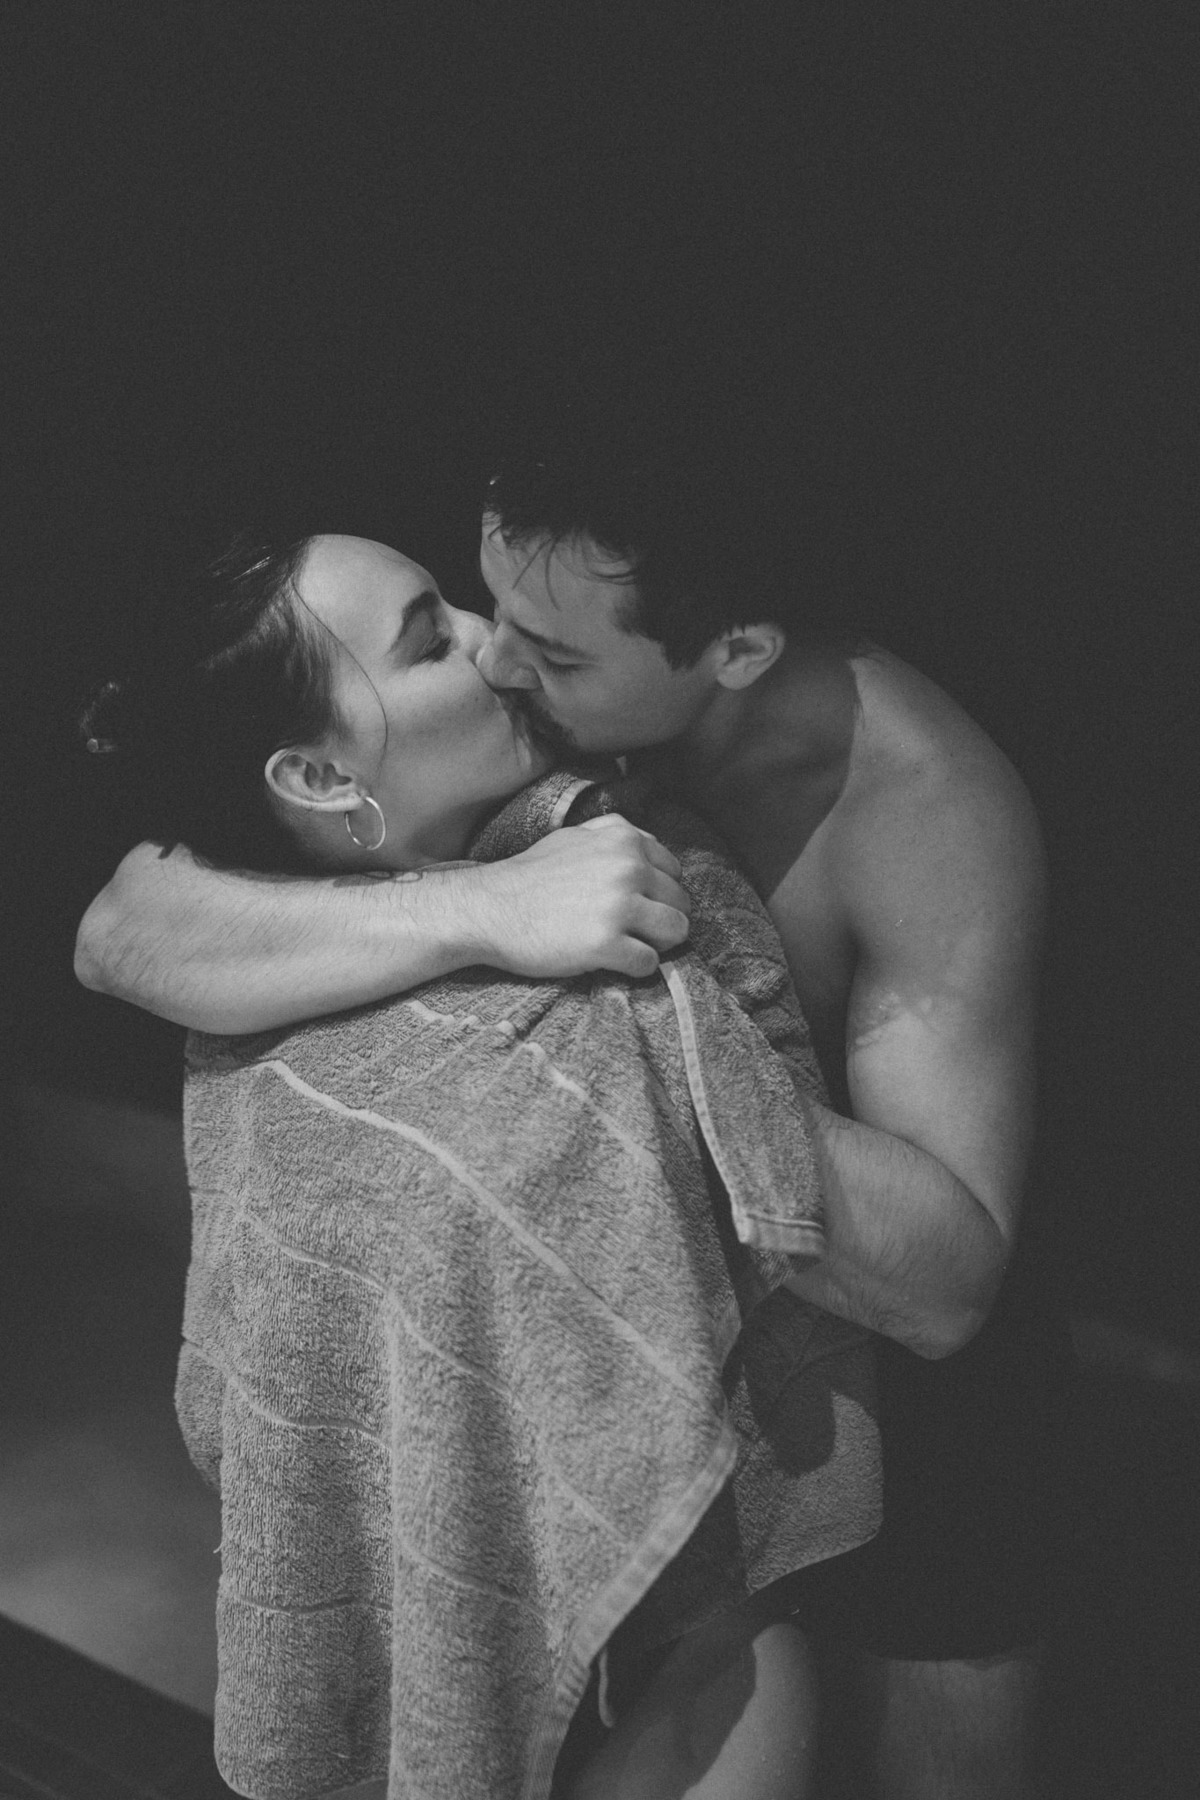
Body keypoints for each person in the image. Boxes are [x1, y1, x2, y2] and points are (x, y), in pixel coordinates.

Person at [77, 411, 1065, 1798]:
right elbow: (121, 930)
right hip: (632, 1426)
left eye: (551, 651)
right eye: (469, 611)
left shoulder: (916, 812)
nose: (497, 653)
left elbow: (950, 1289)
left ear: (733, 653)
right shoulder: (511, 757)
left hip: (907, 1371)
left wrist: (660, 1061)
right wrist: (484, 907)